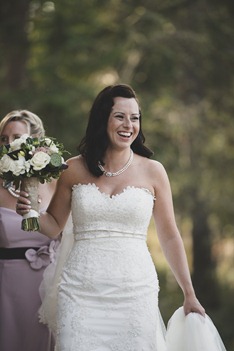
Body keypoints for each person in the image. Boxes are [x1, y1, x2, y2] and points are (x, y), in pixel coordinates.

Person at [16, 84, 224, 351]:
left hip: (135, 292)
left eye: (135, 118)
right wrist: (31, 212)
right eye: (120, 116)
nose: (129, 125)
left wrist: (189, 293)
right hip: (80, 294)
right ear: (103, 119)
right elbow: (54, 226)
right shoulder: (73, 169)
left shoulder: (153, 171)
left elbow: (170, 235)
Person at [0, 110, 58, 351]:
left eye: (17, 137)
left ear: (36, 141)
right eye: (3, 139)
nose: (9, 143)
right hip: (6, 284)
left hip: (49, 282)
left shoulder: (56, 180)